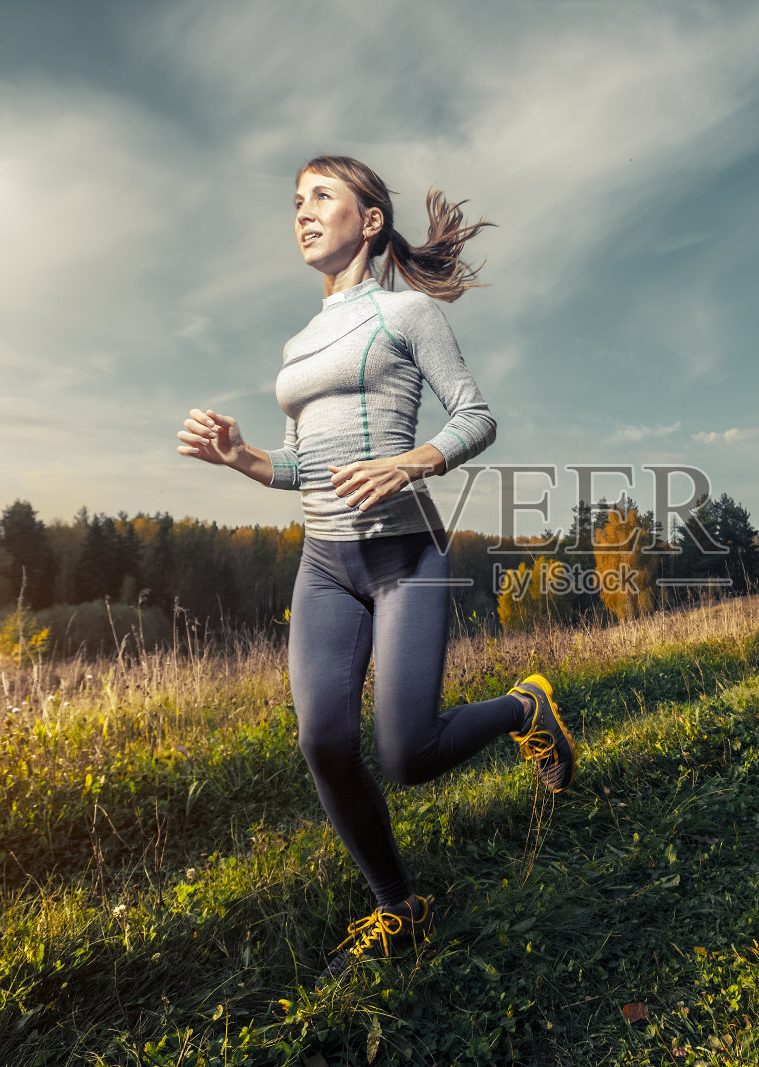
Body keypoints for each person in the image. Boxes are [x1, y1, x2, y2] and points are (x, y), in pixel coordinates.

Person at [176, 155, 576, 986]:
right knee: (323, 740)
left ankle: (524, 706)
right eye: (296, 200)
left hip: (404, 555)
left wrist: (413, 461)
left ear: (369, 221)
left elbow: (478, 415)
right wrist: (242, 456)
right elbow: (300, 465)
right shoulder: (297, 341)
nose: (302, 211)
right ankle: (399, 906)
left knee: (408, 754)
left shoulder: (408, 313)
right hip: (325, 562)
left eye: (322, 196)